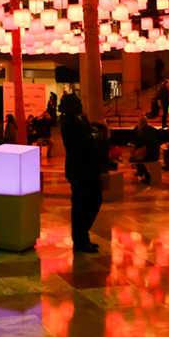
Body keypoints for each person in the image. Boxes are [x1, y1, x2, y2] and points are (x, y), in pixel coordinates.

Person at [60, 94, 104, 253]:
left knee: (92, 202)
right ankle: (80, 240)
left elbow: (92, 135)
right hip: (80, 170)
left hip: (87, 168)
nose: (81, 104)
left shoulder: (78, 121)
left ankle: (82, 237)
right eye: (77, 102)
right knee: (82, 205)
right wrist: (94, 134)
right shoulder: (69, 123)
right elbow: (84, 142)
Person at [131, 116, 161, 184]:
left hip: (150, 154)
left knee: (135, 158)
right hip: (155, 153)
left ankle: (146, 175)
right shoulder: (152, 129)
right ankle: (141, 172)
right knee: (137, 156)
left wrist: (135, 151)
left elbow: (140, 144)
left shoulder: (143, 131)